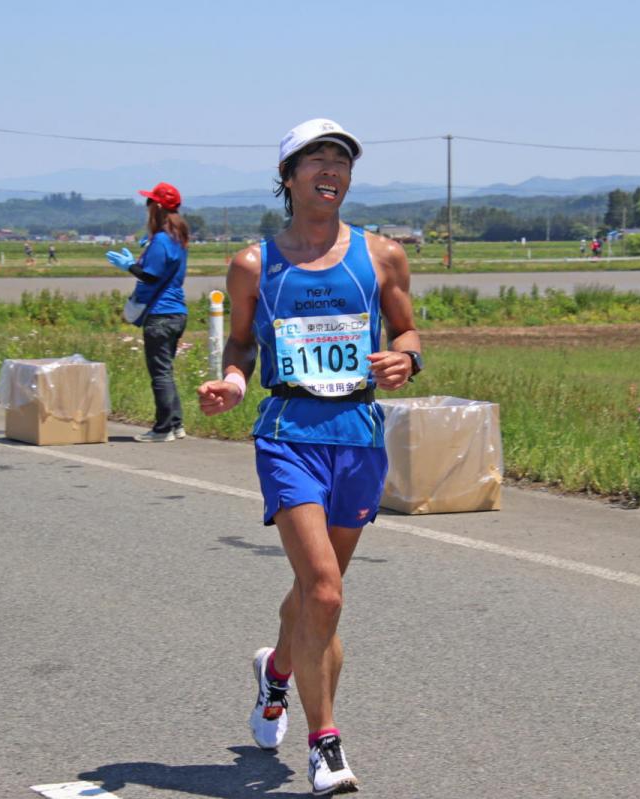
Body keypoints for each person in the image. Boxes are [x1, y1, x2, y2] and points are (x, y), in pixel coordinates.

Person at [197, 118, 421, 795]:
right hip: (289, 433)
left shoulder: (382, 256)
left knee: (313, 598)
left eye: (342, 160)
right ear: (288, 177)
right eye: (316, 158)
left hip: (357, 435)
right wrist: (234, 382)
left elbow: (407, 328)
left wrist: (404, 358)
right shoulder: (254, 265)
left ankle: (277, 673)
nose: (332, 169)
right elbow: (240, 346)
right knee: (326, 589)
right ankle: (326, 745)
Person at [106, 182, 190, 443]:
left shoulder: (162, 240)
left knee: (160, 373)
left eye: (149, 203)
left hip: (160, 315)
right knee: (166, 371)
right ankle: (176, 425)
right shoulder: (178, 238)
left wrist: (130, 266)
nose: (146, 208)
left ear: (157, 208)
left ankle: (163, 429)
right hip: (177, 312)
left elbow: (151, 278)